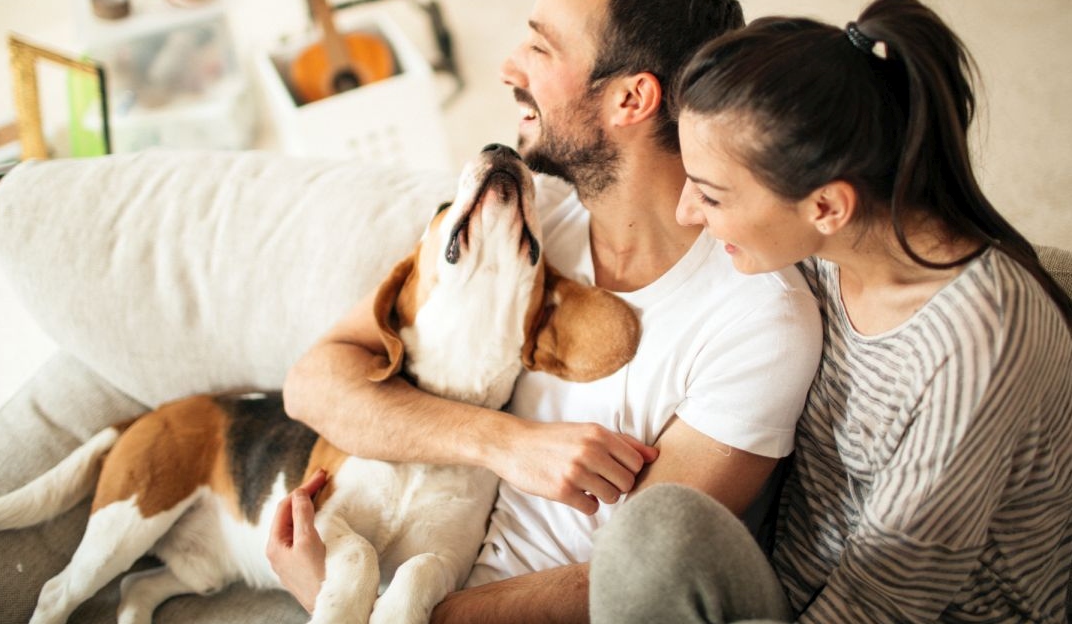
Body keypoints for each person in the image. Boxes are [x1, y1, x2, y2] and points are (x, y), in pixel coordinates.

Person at [268, 0, 826, 621]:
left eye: (540, 48)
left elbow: (633, 580)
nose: (510, 67)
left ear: (630, 100)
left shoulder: (759, 321)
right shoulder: (530, 219)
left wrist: (363, 608)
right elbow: (313, 383)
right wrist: (507, 443)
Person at [589, 0, 1072, 622]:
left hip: (896, 611)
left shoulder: (980, 337)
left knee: (650, 536)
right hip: (787, 578)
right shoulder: (820, 254)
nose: (689, 213)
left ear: (827, 207)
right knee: (652, 530)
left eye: (709, 194)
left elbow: (886, 602)